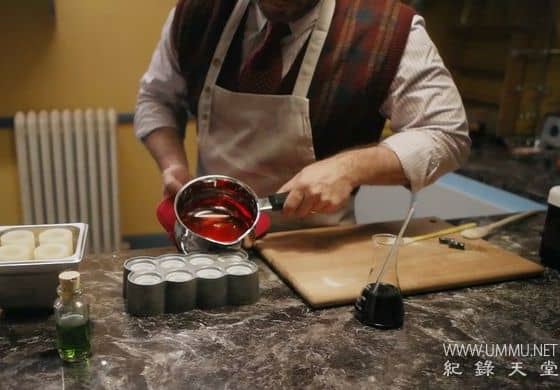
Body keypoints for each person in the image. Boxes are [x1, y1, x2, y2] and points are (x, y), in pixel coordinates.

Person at [135, 0, 470, 229]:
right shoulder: (198, 13)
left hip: (318, 249)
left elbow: (445, 133)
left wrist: (348, 168)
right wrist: (172, 165)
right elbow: (156, 98)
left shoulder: (387, 29)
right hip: (214, 235)